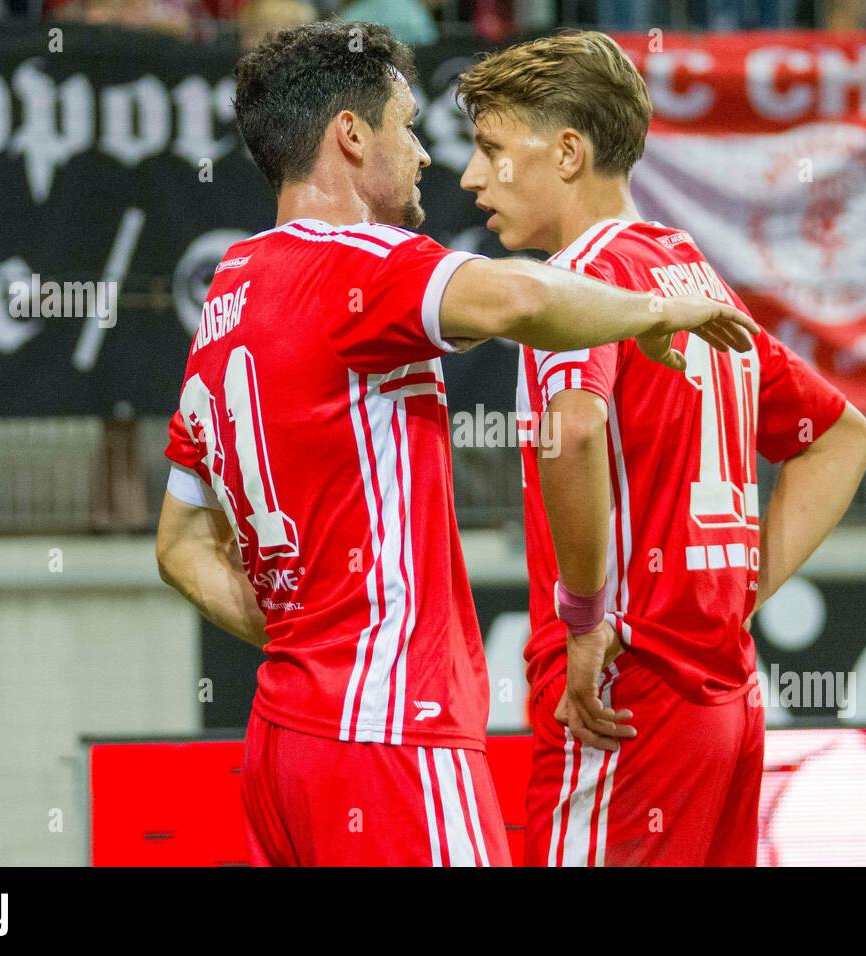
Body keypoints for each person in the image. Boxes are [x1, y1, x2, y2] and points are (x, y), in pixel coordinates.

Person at [154, 21, 757, 867]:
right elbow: (515, 302)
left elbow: (179, 547)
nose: (430, 158)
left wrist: (310, 644)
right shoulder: (360, 261)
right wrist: (656, 311)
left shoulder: (228, 294)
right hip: (396, 735)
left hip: (282, 741)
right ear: (352, 136)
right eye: (408, 128)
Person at [457, 30, 866, 866]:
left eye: (492, 149)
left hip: (626, 696)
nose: (472, 178)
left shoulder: (574, 287)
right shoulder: (692, 275)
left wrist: (583, 622)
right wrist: (725, 601)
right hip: (722, 696)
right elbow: (841, 438)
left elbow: (574, 430)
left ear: (568, 153)